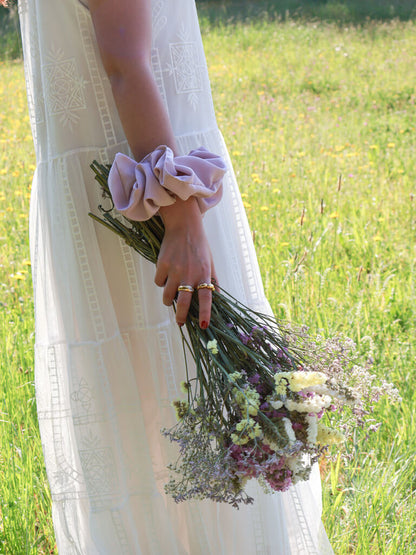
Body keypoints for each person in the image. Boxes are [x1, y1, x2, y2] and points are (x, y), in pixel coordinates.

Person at [14, 0, 334, 552]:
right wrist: (181, 213)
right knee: (179, 393)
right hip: (148, 178)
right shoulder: (174, 204)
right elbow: (124, 61)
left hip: (117, 179)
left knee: (151, 412)